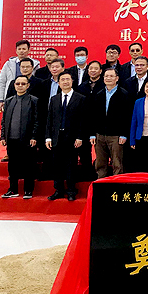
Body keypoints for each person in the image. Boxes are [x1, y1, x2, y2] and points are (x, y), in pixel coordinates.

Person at [45, 73, 87, 201]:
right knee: (56, 165)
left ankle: (71, 190)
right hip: (57, 137)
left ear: (72, 81)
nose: (65, 82)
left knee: (71, 165)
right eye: (62, 80)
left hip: (72, 138)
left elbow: (83, 120)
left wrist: (79, 137)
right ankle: (58, 190)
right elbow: (50, 119)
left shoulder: (80, 98)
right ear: (58, 83)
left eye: (67, 79)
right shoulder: (54, 99)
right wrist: (48, 137)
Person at [0, 76, 39, 199]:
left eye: (23, 83)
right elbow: (4, 121)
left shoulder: (34, 100)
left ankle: (28, 190)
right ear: (14, 85)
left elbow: (37, 120)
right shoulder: (9, 101)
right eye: (18, 83)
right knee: (12, 165)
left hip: (28, 139)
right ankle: (13, 190)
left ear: (28, 85)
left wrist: (34, 136)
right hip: (12, 139)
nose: (20, 86)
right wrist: (3, 136)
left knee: (28, 165)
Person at [89, 68, 132, 177]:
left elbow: (127, 116)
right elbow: (93, 115)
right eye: (106, 76)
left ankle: (116, 184)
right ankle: (101, 183)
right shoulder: (99, 94)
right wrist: (92, 134)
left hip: (116, 136)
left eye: (111, 76)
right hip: (100, 135)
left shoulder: (124, 94)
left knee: (117, 163)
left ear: (117, 78)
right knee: (100, 163)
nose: (108, 78)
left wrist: (124, 134)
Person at [0, 39, 40, 111]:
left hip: (30, 100)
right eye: (19, 49)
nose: (21, 51)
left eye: (24, 49)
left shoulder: (35, 64)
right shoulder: (8, 64)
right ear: (16, 51)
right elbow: (2, 82)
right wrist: (0, 99)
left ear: (29, 50)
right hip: (12, 96)